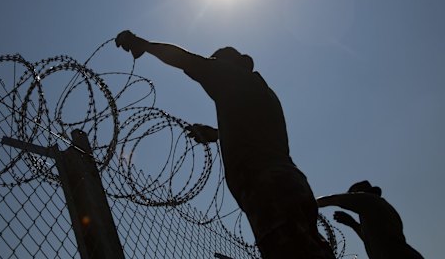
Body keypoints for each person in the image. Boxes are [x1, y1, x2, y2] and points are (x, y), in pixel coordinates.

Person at [115, 30, 335, 259]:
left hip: (267, 186)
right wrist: (216, 134)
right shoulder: (261, 93)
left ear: (235, 64)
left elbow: (186, 60)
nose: (214, 67)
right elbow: (255, 131)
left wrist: (144, 44)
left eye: (217, 63)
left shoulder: (232, 76)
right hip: (289, 182)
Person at [318, 181, 424, 259]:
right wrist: (352, 224)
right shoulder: (377, 210)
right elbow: (373, 239)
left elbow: (334, 199)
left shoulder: (368, 200)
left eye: (353, 195)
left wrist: (307, 202)